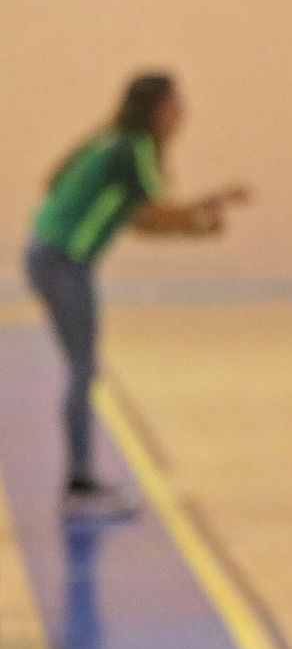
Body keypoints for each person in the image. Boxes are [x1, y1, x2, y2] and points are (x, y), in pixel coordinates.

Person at [24, 72, 249, 520]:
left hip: (52, 255)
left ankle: (81, 480)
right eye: (174, 105)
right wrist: (204, 211)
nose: (181, 114)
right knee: (83, 368)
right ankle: (80, 485)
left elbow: (136, 220)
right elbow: (156, 212)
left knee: (83, 367)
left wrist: (196, 223)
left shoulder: (111, 141)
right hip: (62, 261)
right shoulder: (135, 150)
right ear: (156, 110)